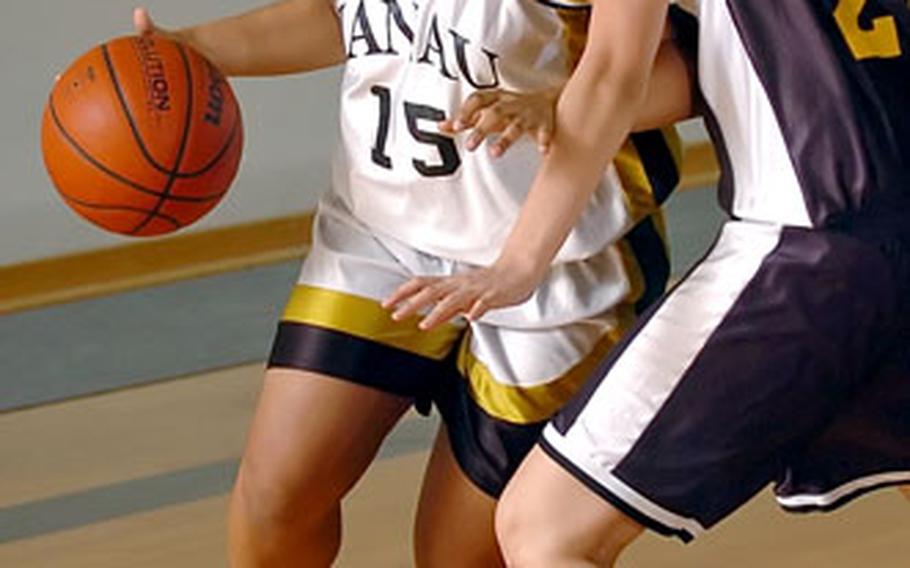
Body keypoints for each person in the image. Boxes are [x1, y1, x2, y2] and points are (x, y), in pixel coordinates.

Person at [133, 1, 694, 565]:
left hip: (558, 264)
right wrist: (197, 53)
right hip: (380, 233)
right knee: (275, 497)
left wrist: (554, 116)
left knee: (457, 558)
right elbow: (339, 16)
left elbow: (682, 69)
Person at [387, 0, 910, 565]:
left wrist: (519, 264)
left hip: (814, 240)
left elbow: (613, 74)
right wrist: (564, 103)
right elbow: (739, 58)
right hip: (873, 221)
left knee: (546, 528)